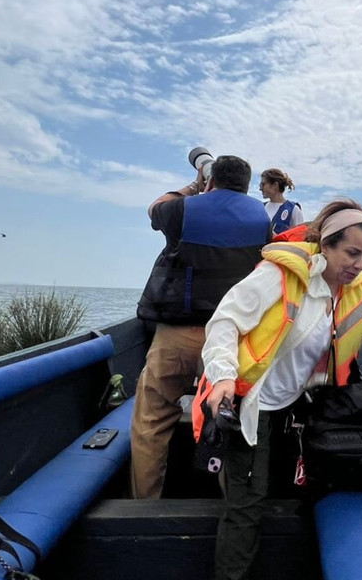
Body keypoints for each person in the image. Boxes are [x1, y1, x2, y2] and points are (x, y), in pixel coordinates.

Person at [200, 199, 362, 580]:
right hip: (251, 404)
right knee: (248, 502)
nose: (359, 264)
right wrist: (224, 375)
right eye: (352, 253)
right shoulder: (278, 276)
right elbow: (224, 321)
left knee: (286, 489)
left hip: (295, 407)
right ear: (325, 246)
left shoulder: (356, 290)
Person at [130, 155, 270, 499]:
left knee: (152, 419)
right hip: (232, 342)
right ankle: (229, 506)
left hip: (176, 335)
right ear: (247, 185)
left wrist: (193, 185)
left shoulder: (185, 209)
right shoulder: (260, 218)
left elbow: (155, 208)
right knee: (229, 423)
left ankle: (145, 505)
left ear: (211, 178)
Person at [259, 167, 303, 237]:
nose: (260, 188)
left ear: (275, 185)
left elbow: (299, 238)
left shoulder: (293, 210)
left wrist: (277, 238)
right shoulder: (260, 208)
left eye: (263, 184)